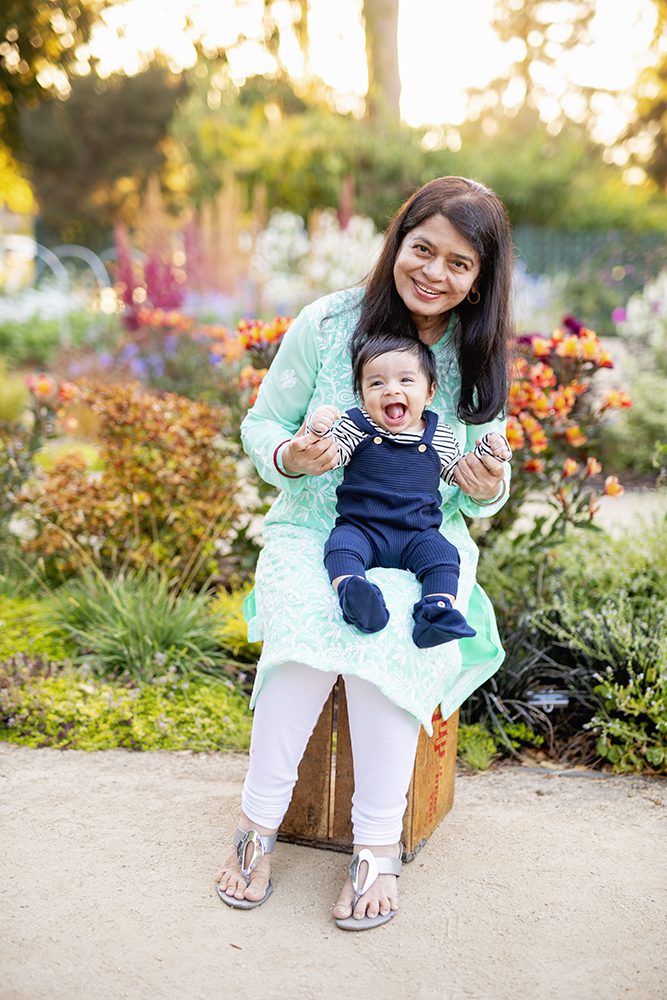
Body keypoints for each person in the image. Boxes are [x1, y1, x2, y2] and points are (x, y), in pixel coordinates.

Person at [215, 176, 513, 931]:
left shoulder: (474, 355)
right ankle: (256, 828)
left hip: (423, 542)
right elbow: (262, 423)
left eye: (458, 263)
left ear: (479, 281)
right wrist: (290, 455)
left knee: (396, 633)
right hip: (317, 531)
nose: (434, 273)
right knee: (311, 637)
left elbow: (480, 485)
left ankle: (375, 845)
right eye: (423, 250)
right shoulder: (327, 322)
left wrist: (483, 488)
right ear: (396, 243)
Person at [305, 335, 511, 646]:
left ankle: (436, 611)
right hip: (362, 528)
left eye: (405, 380)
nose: (391, 389)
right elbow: (330, 452)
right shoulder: (355, 426)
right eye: (376, 384)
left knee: (445, 557)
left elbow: (458, 471)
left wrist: (486, 454)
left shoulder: (438, 434)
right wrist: (318, 430)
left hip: (418, 534)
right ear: (362, 396)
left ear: (429, 393)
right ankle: (354, 592)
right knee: (340, 546)